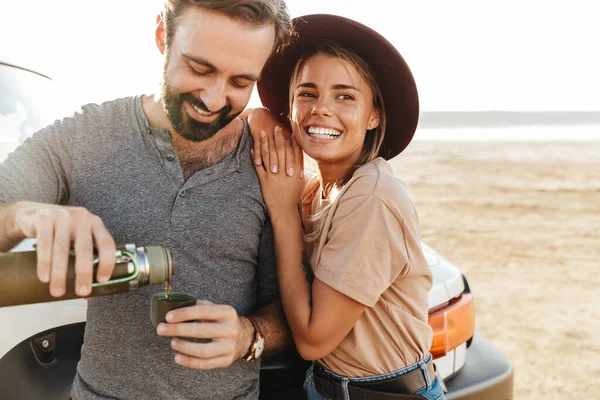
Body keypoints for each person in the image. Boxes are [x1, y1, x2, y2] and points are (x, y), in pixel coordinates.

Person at [0, 1, 295, 399]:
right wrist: (24, 215)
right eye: (199, 68)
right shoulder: (87, 136)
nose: (212, 99)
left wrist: (249, 335)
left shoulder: (269, 163)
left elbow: (290, 310)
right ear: (162, 35)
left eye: (240, 83)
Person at [247, 14, 446, 400]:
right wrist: (258, 114)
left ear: (374, 115)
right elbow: (257, 116)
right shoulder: (320, 188)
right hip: (328, 387)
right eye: (307, 93)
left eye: (345, 96)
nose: (322, 109)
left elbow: (312, 340)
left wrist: (283, 212)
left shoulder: (372, 196)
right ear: (290, 108)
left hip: (386, 393)